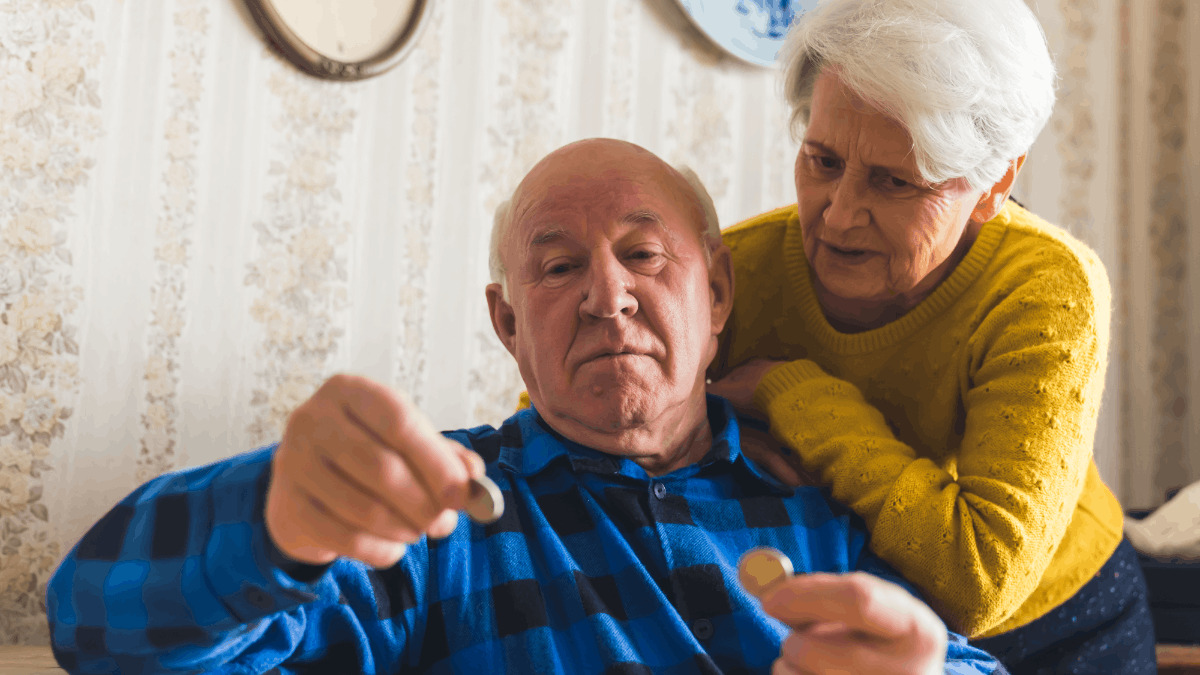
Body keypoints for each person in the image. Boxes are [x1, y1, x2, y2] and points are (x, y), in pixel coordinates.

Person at [47, 139, 1004, 674]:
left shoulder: (820, 504)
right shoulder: (431, 514)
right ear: (509, 324)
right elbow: (99, 633)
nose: (607, 294)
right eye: (557, 266)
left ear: (716, 294)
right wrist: (267, 519)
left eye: (642, 253)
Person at [705, 0, 1156, 672]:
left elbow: (979, 582)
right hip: (849, 618)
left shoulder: (1044, 285)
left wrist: (790, 392)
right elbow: (577, 425)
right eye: (822, 161)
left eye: (894, 182)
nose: (840, 214)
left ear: (992, 184)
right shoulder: (740, 269)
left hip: (1060, 626)